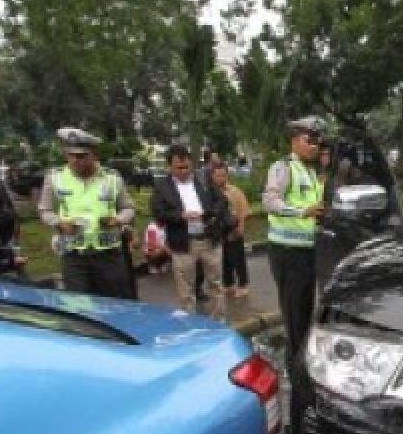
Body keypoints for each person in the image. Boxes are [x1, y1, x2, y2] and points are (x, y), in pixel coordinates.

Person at [38, 127, 135, 298]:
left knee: (117, 304)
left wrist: (118, 220)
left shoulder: (112, 177)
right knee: (80, 307)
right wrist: (59, 223)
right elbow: (44, 210)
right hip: (74, 256)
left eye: (82, 156)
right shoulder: (55, 177)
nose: (75, 160)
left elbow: (128, 208)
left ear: (94, 154)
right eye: (70, 155)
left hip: (109, 255)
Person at [264, 116, 325, 365]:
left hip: (307, 251)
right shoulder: (284, 167)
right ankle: (296, 372)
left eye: (317, 141)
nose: (315, 146)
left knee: (305, 310)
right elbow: (270, 202)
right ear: (295, 140)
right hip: (288, 252)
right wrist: (302, 212)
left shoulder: (311, 171)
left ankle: (302, 363)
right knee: (294, 316)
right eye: (310, 140)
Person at [151, 145, 236, 319]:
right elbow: (158, 212)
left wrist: (207, 213)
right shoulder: (162, 186)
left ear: (192, 164)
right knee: (185, 288)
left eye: (187, 167)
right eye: (179, 168)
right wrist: (181, 215)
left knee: (216, 283)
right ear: (170, 167)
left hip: (209, 238)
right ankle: (189, 325)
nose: (184, 171)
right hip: (183, 242)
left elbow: (222, 202)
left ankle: (219, 322)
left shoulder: (204, 179)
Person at [211, 164, 251, 298]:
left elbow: (243, 210)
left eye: (223, 175)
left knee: (238, 259)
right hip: (219, 231)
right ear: (213, 176)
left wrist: (241, 227)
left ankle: (243, 285)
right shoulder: (210, 192)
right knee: (225, 259)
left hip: (234, 229)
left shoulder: (235, 191)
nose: (221, 178)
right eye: (218, 175)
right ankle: (229, 285)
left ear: (227, 175)